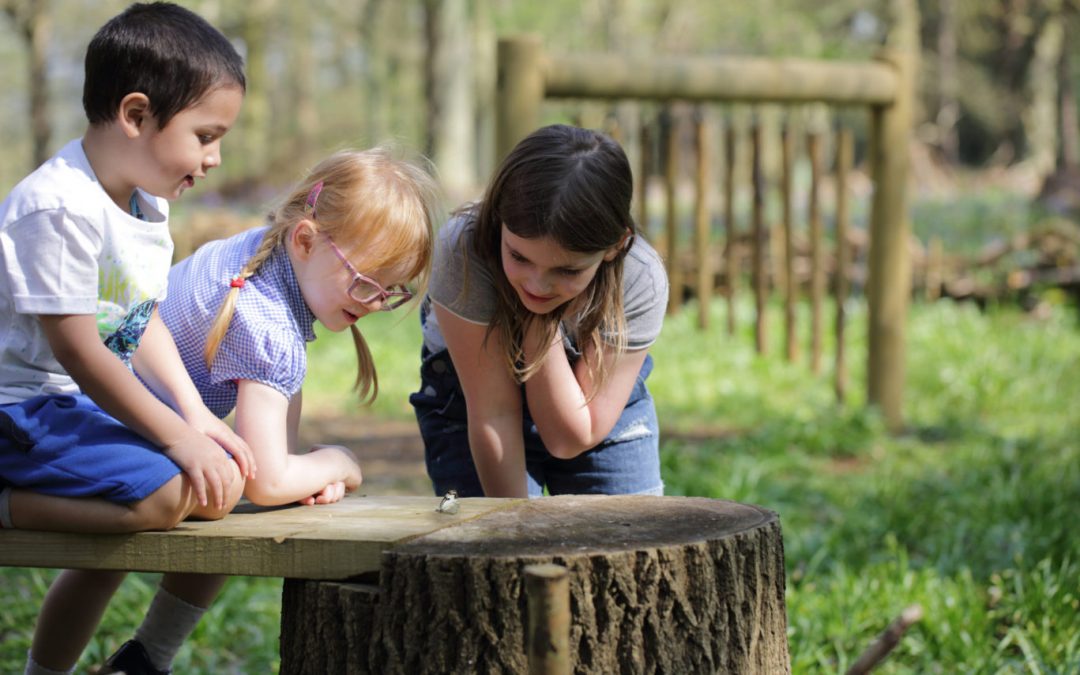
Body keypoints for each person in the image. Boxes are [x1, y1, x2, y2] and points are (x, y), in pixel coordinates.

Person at [0, 4, 253, 674]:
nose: (215, 156)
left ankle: (138, 661)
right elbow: (80, 351)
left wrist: (194, 416)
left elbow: (140, 322)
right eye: (205, 134)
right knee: (167, 493)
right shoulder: (56, 207)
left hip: (68, 408)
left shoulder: (145, 201)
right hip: (19, 410)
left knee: (223, 481)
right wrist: (174, 437)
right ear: (136, 115)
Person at [161, 147, 438, 507]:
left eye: (391, 291)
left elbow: (279, 467)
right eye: (366, 282)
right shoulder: (268, 324)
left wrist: (303, 476)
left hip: (127, 418)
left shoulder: (259, 254)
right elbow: (267, 483)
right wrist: (340, 463)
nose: (374, 303)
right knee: (218, 491)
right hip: (108, 425)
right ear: (305, 240)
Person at [410, 124, 669, 498]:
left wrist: (538, 325)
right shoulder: (462, 253)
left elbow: (570, 438)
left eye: (567, 270)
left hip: (593, 413)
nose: (537, 285)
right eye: (518, 256)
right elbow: (493, 413)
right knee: (490, 548)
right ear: (499, 219)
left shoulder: (640, 277)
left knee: (629, 543)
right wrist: (514, 533)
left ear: (616, 245)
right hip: (471, 406)